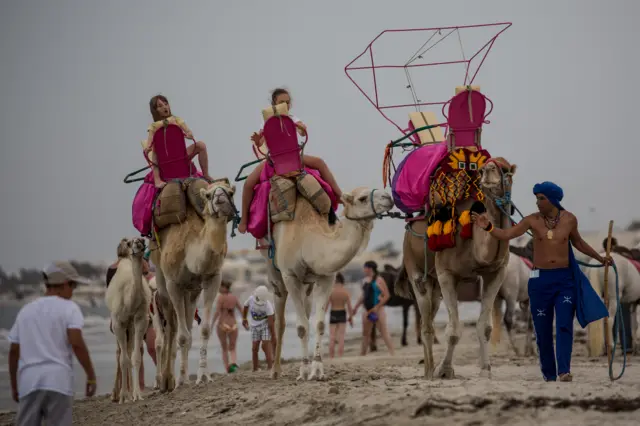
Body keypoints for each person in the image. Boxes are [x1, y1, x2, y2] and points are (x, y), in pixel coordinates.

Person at [471, 181, 611, 382]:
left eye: (541, 198)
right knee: (542, 330)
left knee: (564, 325)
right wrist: (489, 227)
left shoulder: (570, 220)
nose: (537, 202)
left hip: (565, 281)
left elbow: (578, 242)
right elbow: (507, 234)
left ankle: (564, 370)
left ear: (553, 200)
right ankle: (549, 374)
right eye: (536, 198)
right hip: (540, 282)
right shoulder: (531, 220)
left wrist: (600, 258)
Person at [237, 88, 343, 234]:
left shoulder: (292, 118)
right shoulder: (266, 121)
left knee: (319, 162)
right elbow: (261, 141)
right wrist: (258, 140)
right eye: (282, 102)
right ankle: (244, 220)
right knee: (249, 183)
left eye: (287, 102)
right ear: (274, 103)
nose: (285, 105)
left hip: (294, 157)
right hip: (274, 160)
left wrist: (301, 129)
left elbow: (301, 130)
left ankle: (339, 195)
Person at [8, 261, 97, 426]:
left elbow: (14, 351)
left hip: (29, 382)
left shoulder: (26, 311)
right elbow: (76, 343)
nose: (73, 291)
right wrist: (91, 376)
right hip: (59, 381)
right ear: (64, 284)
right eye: (73, 286)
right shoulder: (69, 308)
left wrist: (14, 385)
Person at [106, 241, 157, 391]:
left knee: (149, 347)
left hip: (146, 313)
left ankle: (160, 375)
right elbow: (112, 293)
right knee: (131, 350)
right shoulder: (114, 269)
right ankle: (134, 385)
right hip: (124, 314)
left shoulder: (139, 265)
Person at [145, 94, 213, 188]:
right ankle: (157, 180)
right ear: (155, 110)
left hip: (180, 156)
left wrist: (189, 134)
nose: (165, 107)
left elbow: (188, 131)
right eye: (160, 106)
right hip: (164, 160)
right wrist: (147, 148)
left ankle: (206, 174)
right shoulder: (154, 126)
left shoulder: (176, 120)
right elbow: (149, 142)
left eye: (166, 104)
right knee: (155, 152)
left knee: (201, 145)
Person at [351, 261, 396, 356]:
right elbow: (363, 296)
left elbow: (387, 295)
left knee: (384, 332)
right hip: (367, 311)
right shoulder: (364, 281)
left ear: (370, 268)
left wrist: (377, 307)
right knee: (365, 334)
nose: (363, 270)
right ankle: (362, 354)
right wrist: (355, 308)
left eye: (365, 268)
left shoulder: (379, 280)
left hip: (378, 311)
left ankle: (393, 353)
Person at [242, 285, 276, 371]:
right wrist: (244, 318)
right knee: (254, 348)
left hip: (265, 326)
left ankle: (270, 367)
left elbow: (271, 323)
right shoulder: (251, 299)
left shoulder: (268, 305)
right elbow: (245, 306)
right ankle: (255, 368)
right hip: (254, 327)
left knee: (266, 345)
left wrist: (273, 336)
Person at [212, 280, 243, 373]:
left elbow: (217, 312)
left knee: (224, 348)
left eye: (220, 287)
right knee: (232, 347)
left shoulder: (221, 298)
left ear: (225, 288)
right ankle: (233, 363)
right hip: (233, 324)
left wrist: (211, 324)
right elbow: (241, 310)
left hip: (222, 324)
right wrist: (245, 321)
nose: (219, 289)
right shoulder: (234, 297)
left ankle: (227, 368)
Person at [325, 272, 354, 358]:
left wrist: (321, 318)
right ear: (342, 281)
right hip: (342, 313)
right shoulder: (345, 292)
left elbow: (326, 307)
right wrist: (351, 318)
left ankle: (331, 357)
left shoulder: (330, 291)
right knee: (341, 337)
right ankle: (340, 357)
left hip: (333, 313)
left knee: (332, 337)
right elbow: (349, 307)